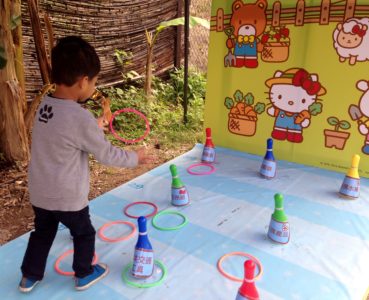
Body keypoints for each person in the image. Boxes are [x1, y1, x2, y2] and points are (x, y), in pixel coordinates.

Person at [19, 36, 150, 293]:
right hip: (68, 198)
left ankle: (28, 276)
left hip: (40, 193)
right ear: (83, 82)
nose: (94, 86)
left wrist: (94, 125)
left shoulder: (45, 106)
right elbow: (106, 154)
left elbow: (64, 134)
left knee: (42, 233)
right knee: (84, 233)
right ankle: (84, 273)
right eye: (94, 81)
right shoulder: (80, 118)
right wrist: (135, 157)